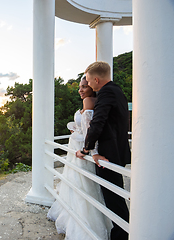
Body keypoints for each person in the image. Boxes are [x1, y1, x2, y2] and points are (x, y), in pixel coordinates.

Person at [47, 75, 112, 240]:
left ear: (91, 87)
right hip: (74, 149)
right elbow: (85, 127)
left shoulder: (89, 101)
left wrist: (90, 150)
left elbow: (91, 131)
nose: (81, 90)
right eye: (80, 87)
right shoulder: (92, 101)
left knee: (81, 184)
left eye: (84, 86)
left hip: (80, 151)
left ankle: (83, 227)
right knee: (78, 182)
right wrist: (75, 128)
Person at [76, 61, 131, 240]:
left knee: (113, 198)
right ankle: (121, 232)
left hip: (108, 154)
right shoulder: (117, 90)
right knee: (116, 195)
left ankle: (121, 235)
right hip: (118, 150)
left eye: (90, 81)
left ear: (97, 80)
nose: (89, 85)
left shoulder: (106, 93)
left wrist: (86, 149)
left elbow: (98, 123)